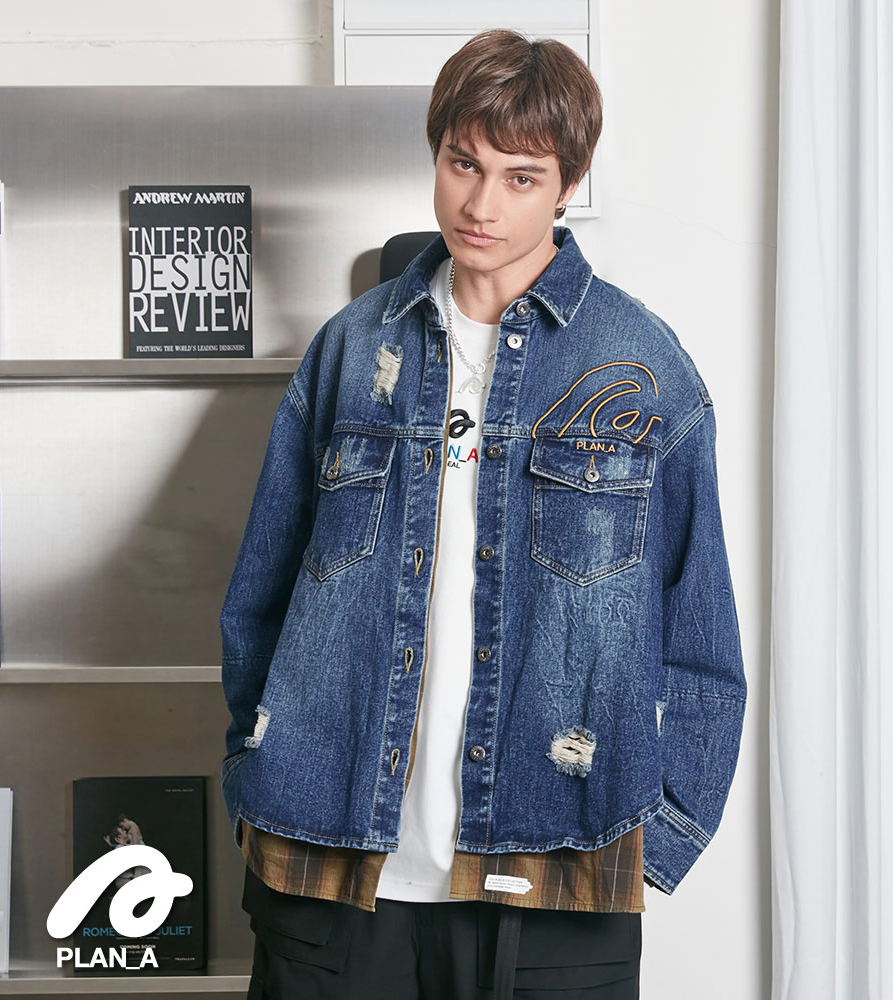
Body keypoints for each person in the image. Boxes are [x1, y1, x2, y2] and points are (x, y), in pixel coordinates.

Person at [220, 28, 746, 1000]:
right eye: (464, 163)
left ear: (567, 184)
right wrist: (255, 765)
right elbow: (261, 593)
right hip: (331, 862)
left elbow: (701, 639)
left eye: (520, 177)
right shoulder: (351, 351)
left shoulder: (640, 368)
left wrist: (665, 832)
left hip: (555, 870)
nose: (481, 204)